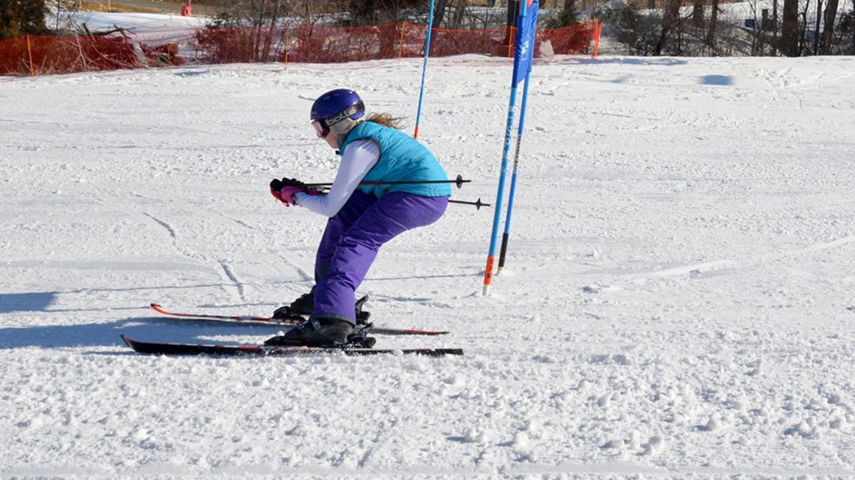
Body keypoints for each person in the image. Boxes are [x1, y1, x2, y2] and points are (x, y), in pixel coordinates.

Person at [266, 88, 451, 347]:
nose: (320, 137)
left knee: (356, 240)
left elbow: (329, 205)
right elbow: (338, 205)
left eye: (320, 128)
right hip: (395, 191)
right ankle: (328, 297)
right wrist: (307, 194)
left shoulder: (360, 146)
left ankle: (333, 321)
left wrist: (296, 197)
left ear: (337, 123)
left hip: (420, 197)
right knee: (342, 220)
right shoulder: (361, 139)